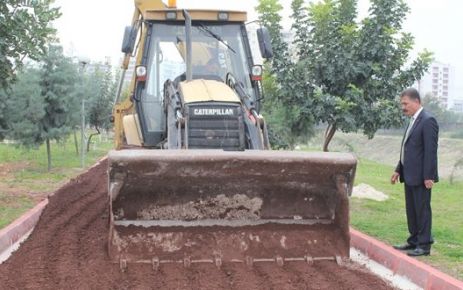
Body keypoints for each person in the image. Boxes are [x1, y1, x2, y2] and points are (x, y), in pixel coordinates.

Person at [390, 88, 439, 257]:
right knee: (412, 210)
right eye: (402, 104)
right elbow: (408, 149)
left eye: (405, 103)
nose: (403, 107)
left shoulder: (428, 120)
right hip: (409, 174)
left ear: (416, 101)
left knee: (422, 210)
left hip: (421, 177)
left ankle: (424, 245)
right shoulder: (412, 120)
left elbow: (430, 151)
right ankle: (414, 241)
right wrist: (398, 169)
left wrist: (429, 176)